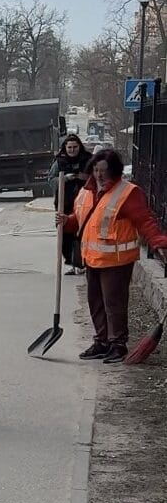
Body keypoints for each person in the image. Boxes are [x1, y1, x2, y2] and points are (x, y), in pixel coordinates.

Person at [56, 148, 167, 363]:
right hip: (92, 258)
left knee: (113, 304)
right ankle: (102, 342)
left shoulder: (128, 193)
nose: (99, 175)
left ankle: (118, 344)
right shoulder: (87, 191)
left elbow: (145, 221)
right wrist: (67, 221)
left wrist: (159, 244)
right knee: (95, 302)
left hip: (117, 261)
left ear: (114, 171)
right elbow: (81, 219)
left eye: (104, 171)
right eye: (96, 170)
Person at [49, 134, 90, 276]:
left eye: (75, 147)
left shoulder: (88, 160)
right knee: (65, 234)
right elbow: (50, 179)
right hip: (64, 203)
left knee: (82, 233)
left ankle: (81, 263)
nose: (72, 150)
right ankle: (71, 262)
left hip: (85, 202)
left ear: (80, 147)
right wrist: (64, 179)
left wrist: (86, 178)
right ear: (65, 148)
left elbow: (97, 177)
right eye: (70, 148)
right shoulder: (59, 162)